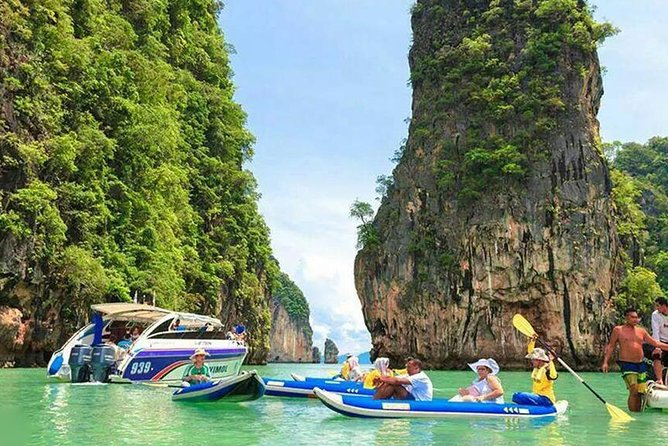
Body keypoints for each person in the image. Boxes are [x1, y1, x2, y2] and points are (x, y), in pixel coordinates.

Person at [602, 307, 668, 412]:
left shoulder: (641, 331)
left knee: (641, 391)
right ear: (626, 317)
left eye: (636, 317)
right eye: (632, 317)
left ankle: (638, 413)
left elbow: (655, 343)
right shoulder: (618, 330)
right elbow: (611, 346)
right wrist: (605, 362)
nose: (635, 319)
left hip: (640, 364)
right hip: (627, 364)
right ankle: (633, 414)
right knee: (633, 389)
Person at [512, 338, 558, 407]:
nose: (532, 361)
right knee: (515, 397)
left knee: (518, 395)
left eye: (534, 359)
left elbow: (553, 376)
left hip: (546, 399)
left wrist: (550, 360)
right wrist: (532, 341)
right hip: (536, 396)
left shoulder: (547, 368)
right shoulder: (536, 368)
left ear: (540, 360)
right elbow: (530, 351)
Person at [645, 297, 668, 385]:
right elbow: (656, 330)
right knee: (657, 355)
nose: (657, 308)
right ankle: (659, 380)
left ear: (664, 305)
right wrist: (657, 346)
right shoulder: (655, 314)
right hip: (660, 340)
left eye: (658, 306)